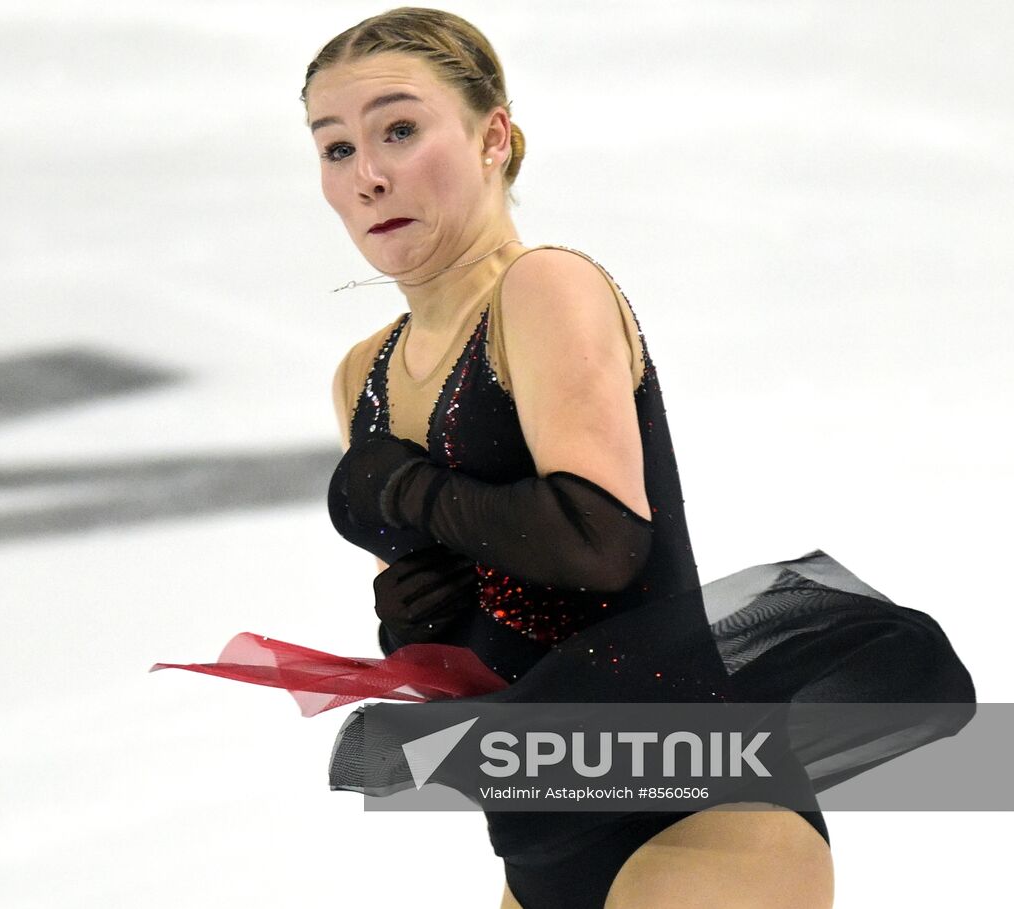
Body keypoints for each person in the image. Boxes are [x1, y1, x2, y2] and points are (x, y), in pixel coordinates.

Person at [153, 8, 975, 907]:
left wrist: (409, 487)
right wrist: (411, 622)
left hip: (700, 821)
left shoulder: (542, 289)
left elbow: (601, 544)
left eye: (400, 129)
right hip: (542, 842)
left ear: (491, 137)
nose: (371, 175)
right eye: (336, 148)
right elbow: (479, 638)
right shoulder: (366, 376)